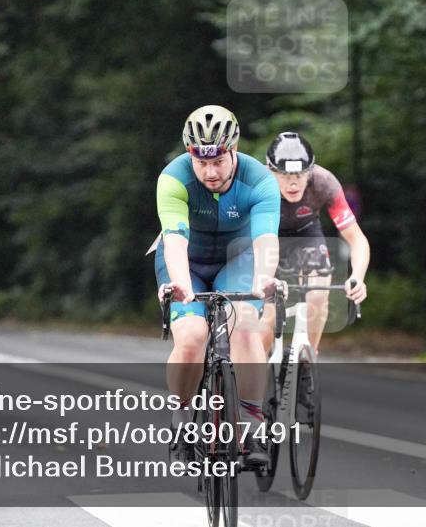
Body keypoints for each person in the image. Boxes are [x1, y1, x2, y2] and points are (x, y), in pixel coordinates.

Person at [154, 105, 281, 467]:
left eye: (218, 161)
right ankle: (181, 426)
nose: (210, 171)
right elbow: (175, 240)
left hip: (236, 259)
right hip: (186, 262)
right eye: (200, 162)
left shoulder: (259, 180)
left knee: (243, 325)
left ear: (234, 149)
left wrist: (264, 280)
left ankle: (253, 427)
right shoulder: (173, 178)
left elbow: (265, 241)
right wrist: (180, 286)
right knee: (192, 336)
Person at [263, 132, 369, 354]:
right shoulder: (259, 183)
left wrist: (357, 276)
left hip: (306, 235)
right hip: (268, 236)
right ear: (270, 171)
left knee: (319, 293)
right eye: (284, 175)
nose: (293, 183)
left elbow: (356, 239)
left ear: (310, 170)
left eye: (300, 174)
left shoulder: (324, 182)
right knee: (266, 317)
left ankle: (309, 354)